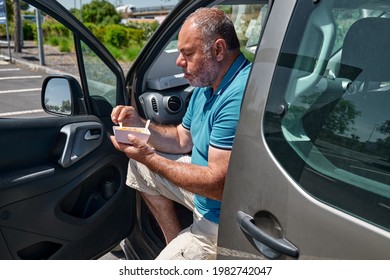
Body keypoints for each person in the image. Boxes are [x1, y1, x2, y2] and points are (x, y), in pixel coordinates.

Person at [110, 7, 251, 260]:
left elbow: (218, 186)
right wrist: (139, 124)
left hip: (220, 218)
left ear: (218, 50)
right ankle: (175, 244)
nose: (178, 61)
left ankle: (186, 251)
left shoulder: (238, 94)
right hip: (204, 197)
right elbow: (181, 138)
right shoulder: (206, 83)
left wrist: (150, 157)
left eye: (188, 53)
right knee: (139, 168)